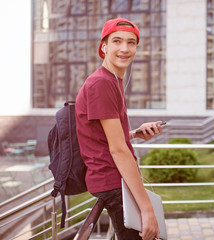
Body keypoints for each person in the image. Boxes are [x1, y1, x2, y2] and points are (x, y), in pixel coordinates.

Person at [75, 18, 162, 240]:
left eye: (131, 43)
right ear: (103, 46)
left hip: (115, 180)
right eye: (117, 41)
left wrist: (134, 134)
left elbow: (100, 136)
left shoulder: (112, 80)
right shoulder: (101, 84)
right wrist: (147, 209)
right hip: (113, 181)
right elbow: (118, 150)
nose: (125, 49)